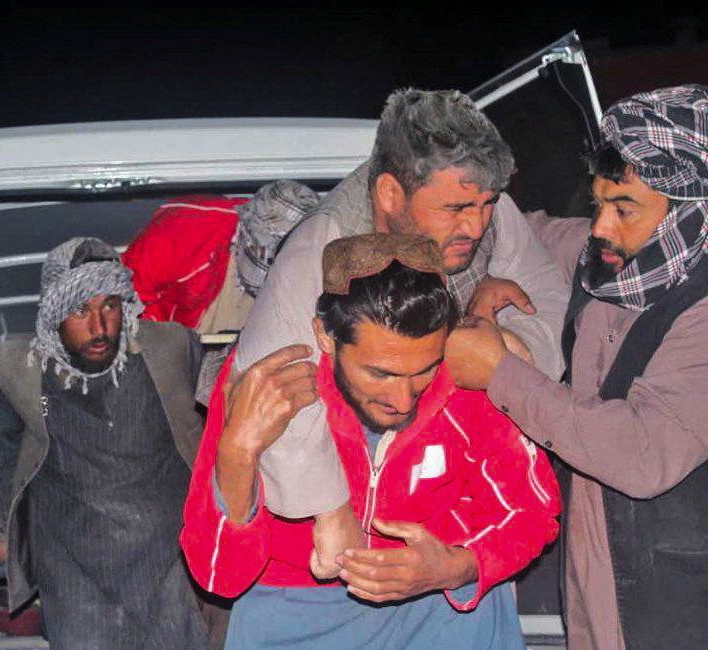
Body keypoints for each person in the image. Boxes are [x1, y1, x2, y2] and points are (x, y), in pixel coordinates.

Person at [180, 233, 560, 650]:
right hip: (296, 639)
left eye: (423, 371)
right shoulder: (267, 389)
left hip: (444, 628)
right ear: (325, 335)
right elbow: (218, 576)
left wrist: (458, 566)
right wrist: (239, 452)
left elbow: (532, 513)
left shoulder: (465, 380)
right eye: (380, 373)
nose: (402, 399)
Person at [233, 88, 570, 578]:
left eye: (488, 204)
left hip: (455, 504)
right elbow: (275, 386)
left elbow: (551, 301)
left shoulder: (481, 204)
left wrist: (507, 349)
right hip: (324, 528)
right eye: (456, 209)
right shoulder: (321, 247)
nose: (477, 226)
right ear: (391, 194)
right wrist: (329, 509)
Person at [447, 85, 708, 650]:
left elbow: (644, 453)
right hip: (599, 601)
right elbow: (517, 233)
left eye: (624, 208)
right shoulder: (610, 261)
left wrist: (499, 373)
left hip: (683, 631)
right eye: (598, 204)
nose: (601, 228)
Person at [0, 237, 213, 650]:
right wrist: (5, 535)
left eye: (109, 307)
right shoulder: (18, 367)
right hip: (75, 564)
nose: (99, 326)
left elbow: (215, 425)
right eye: (79, 311)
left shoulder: (171, 348)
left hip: (166, 559)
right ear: (53, 315)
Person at [122, 180, 319, 334]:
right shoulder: (182, 228)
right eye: (264, 256)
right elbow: (124, 300)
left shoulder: (320, 260)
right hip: (173, 345)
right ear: (245, 227)